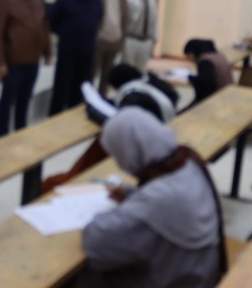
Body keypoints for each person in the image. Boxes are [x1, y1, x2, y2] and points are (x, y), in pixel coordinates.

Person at [81, 108, 227, 288]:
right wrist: (130, 195)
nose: (119, 164)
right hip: (198, 275)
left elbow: (96, 242)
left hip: (173, 280)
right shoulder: (187, 162)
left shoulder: (155, 201)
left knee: (83, 277)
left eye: (118, 155)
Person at [40, 63, 179, 194]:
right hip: (148, 141)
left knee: (56, 180)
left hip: (131, 147)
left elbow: (120, 120)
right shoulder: (151, 84)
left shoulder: (132, 97)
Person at [0, 0, 51, 136]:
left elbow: (43, 26)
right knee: (7, 101)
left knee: (24, 100)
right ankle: (2, 136)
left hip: (33, 60)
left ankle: (20, 133)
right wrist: (0, 62)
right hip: (13, 62)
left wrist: (48, 51)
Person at [49, 0, 104, 114]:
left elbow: (98, 21)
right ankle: (54, 121)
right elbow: (53, 24)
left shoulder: (97, 1)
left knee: (81, 93)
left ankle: (74, 121)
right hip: (67, 55)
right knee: (61, 92)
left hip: (87, 56)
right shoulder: (64, 0)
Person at [95, 0, 128, 94]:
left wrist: (122, 38)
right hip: (100, 40)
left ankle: (102, 98)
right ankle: (87, 100)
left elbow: (125, 18)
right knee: (93, 73)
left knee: (107, 75)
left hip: (115, 41)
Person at [122, 0, 158, 72]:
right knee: (128, 69)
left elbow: (155, 20)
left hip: (146, 41)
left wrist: (155, 38)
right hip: (131, 39)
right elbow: (125, 19)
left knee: (141, 71)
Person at [183, 39, 234, 106]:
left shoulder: (205, 61)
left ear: (193, 52)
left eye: (188, 55)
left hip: (216, 99)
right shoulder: (219, 54)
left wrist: (191, 78)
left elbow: (205, 83)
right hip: (228, 93)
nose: (189, 59)